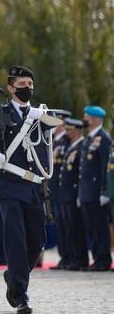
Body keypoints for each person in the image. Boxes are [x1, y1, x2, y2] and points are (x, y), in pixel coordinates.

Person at [0, 65, 60, 314]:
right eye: (22, 85)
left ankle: (13, 276)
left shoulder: (39, 114)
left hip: (34, 184)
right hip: (10, 183)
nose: (27, 89)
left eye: (30, 85)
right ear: (11, 88)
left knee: (37, 241)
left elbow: (46, 143)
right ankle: (21, 294)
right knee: (15, 239)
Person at [78, 105, 112, 271]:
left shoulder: (103, 138)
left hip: (96, 192)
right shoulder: (89, 138)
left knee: (100, 227)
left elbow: (105, 166)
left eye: (87, 117)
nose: (85, 119)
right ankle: (97, 258)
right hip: (86, 192)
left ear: (96, 119)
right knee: (91, 227)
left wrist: (104, 191)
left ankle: (103, 259)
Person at [57, 118, 87, 270]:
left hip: (73, 193)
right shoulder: (71, 147)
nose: (66, 132)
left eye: (69, 130)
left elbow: (78, 174)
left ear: (76, 131)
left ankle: (80, 259)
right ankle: (71, 258)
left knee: (76, 228)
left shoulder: (81, 146)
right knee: (68, 228)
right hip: (65, 194)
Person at [49, 123, 71, 270]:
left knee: (68, 226)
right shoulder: (54, 142)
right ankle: (64, 257)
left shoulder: (65, 143)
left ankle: (70, 257)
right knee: (60, 226)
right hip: (54, 191)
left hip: (62, 190)